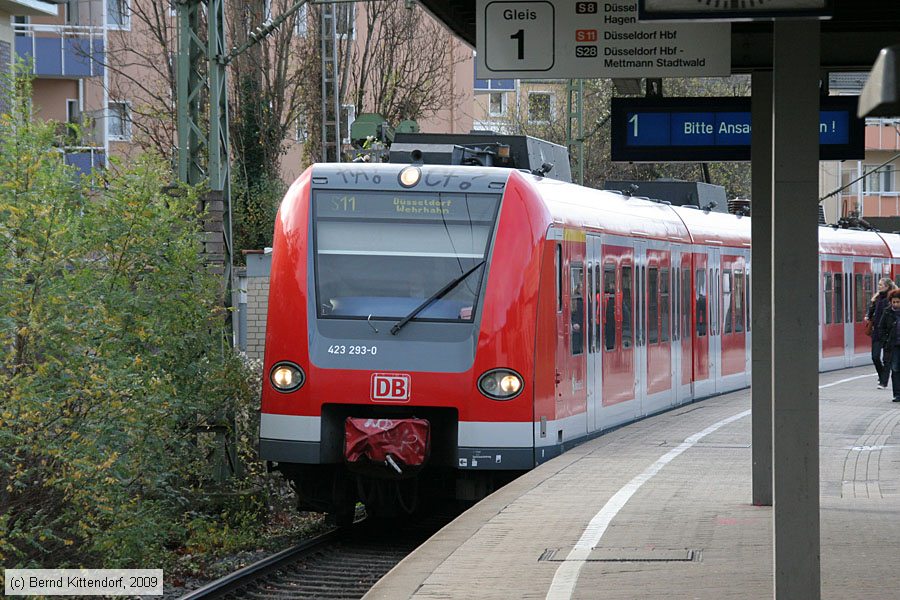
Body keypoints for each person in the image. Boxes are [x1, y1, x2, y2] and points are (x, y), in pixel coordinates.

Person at [867, 277, 897, 389]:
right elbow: (870, 314)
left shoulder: (892, 299)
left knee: (887, 359)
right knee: (875, 357)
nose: (879, 286)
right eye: (879, 284)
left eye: (881, 285)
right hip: (877, 332)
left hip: (889, 333)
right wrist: (872, 303)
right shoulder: (877, 298)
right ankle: (882, 376)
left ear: (887, 286)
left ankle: (883, 382)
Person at [875, 288, 900, 402]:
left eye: (898, 302)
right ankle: (897, 394)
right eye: (893, 302)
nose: (895, 304)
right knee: (895, 368)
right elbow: (881, 328)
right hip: (893, 345)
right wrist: (885, 341)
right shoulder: (887, 312)